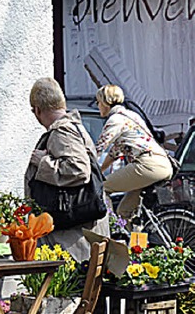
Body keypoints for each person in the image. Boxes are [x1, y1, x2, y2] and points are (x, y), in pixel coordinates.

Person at [25, 77, 109, 263]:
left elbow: (78, 169)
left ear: (37, 110)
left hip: (73, 235)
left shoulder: (62, 131)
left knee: (68, 289)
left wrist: (43, 162)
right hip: (81, 229)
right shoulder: (77, 127)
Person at [95, 84, 173, 222]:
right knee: (124, 211)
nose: (97, 105)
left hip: (147, 164)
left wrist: (86, 170)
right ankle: (132, 240)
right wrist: (99, 171)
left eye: (99, 102)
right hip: (163, 163)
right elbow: (114, 153)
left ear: (106, 102)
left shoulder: (115, 120)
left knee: (103, 188)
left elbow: (98, 148)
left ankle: (109, 230)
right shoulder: (131, 115)